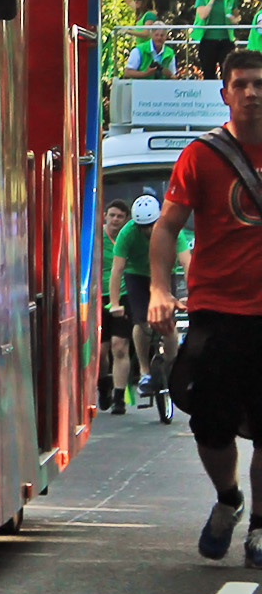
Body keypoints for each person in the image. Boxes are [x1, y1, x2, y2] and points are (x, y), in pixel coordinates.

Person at [147, 49, 262, 565]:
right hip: (217, 308)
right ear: (226, 94)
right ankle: (228, 499)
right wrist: (158, 288)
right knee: (209, 421)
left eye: (260, 84)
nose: (252, 93)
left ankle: (260, 527)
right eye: (241, 84)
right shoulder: (203, 154)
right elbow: (167, 225)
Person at [113, 192, 191, 407]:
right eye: (142, 227)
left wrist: (193, 291)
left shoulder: (172, 229)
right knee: (142, 321)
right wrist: (115, 303)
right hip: (136, 275)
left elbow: (186, 262)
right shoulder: (128, 233)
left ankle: (173, 365)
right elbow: (117, 269)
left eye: (151, 226)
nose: (147, 232)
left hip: (164, 272)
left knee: (168, 322)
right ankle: (145, 371)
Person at [101, 201, 134, 414]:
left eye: (119, 216)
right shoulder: (95, 238)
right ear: (105, 216)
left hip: (123, 296)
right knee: (101, 350)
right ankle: (103, 385)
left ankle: (119, 397)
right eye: (111, 215)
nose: (115, 219)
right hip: (97, 297)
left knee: (119, 346)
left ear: (125, 219)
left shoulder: (129, 238)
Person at [193, 0, 240, 80]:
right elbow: (203, 15)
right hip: (208, 39)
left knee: (227, 71)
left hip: (226, 39)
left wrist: (234, 20)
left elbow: (237, 17)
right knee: (208, 71)